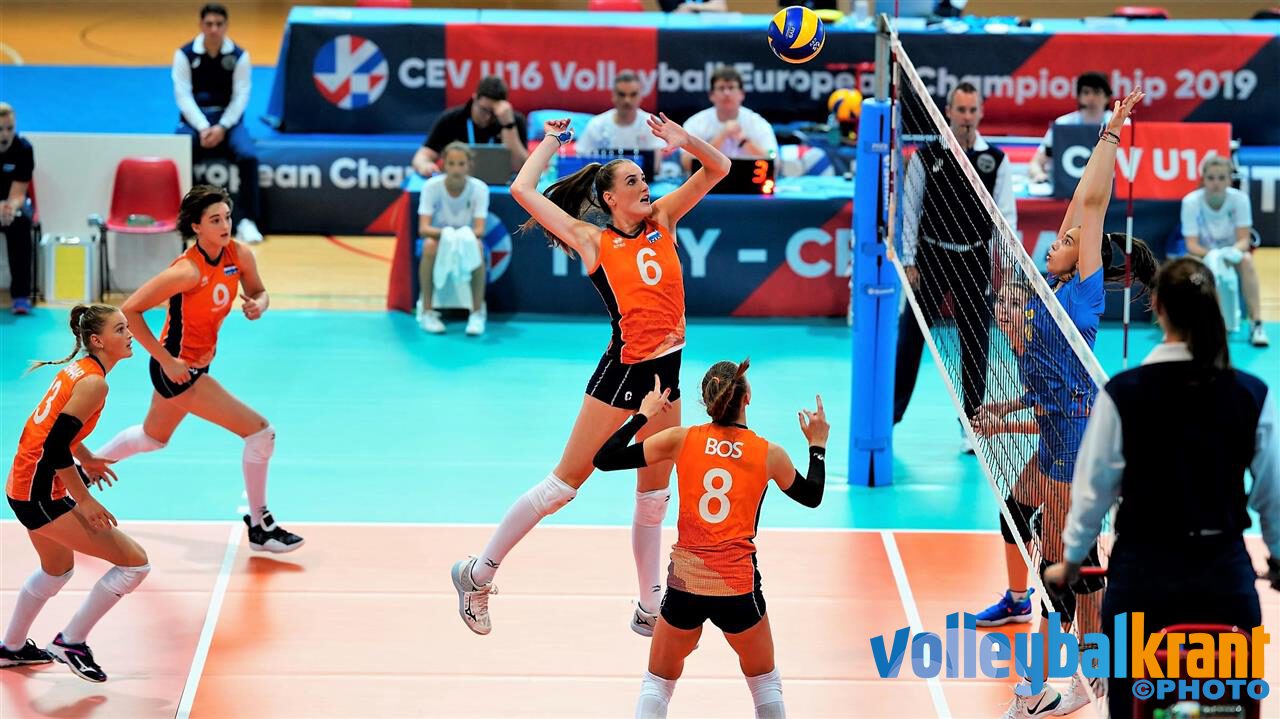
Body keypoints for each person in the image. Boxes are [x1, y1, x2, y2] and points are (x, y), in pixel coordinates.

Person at [449, 115, 729, 637]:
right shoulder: (592, 240)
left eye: (644, 179)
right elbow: (522, 189)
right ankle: (477, 573)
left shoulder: (664, 219)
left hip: (666, 375)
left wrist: (685, 140)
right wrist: (552, 141)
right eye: (632, 182)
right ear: (609, 198)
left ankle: (649, 606)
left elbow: (720, 168)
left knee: (654, 498)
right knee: (563, 486)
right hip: (623, 375)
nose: (645, 187)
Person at [977, 88, 1158, 719]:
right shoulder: (1049, 285)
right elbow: (1081, 201)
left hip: (1075, 445)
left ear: (1085, 259)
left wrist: (1111, 132)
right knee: (1017, 515)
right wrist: (1005, 415)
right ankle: (1081, 659)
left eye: (1071, 240)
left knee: (1067, 563)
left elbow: (1094, 203)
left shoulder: (1080, 294)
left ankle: (1070, 680)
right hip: (1058, 432)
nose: (1058, 240)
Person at [1046, 256, 1280, 719]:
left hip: (1142, 578)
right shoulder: (1251, 392)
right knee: (1233, 701)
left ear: (1155, 306)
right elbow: (1272, 492)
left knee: (1128, 699)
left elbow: (1093, 489)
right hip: (1224, 579)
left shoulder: (1123, 392)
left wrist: (1071, 561)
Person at [592, 362, 829, 719]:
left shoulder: (681, 439)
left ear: (707, 402)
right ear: (747, 398)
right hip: (737, 588)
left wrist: (643, 415)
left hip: (686, 586)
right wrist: (817, 445)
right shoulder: (769, 453)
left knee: (657, 683)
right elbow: (812, 496)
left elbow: (605, 459)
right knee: (765, 683)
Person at [93, 186, 303, 553]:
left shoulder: (239, 254)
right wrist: (166, 359)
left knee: (151, 438)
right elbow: (129, 312)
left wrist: (259, 305)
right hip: (179, 370)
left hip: (195, 365)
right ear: (196, 227)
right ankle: (261, 526)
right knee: (261, 433)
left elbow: (259, 291)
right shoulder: (187, 271)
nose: (225, 226)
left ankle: (82, 471)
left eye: (227, 217)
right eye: (215, 220)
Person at [1, 304, 150, 683]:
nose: (129, 335)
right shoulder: (95, 383)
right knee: (135, 564)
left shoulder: (79, 370)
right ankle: (72, 641)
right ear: (97, 340)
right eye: (120, 329)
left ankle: (11, 648)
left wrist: (87, 457)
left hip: (25, 484)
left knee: (56, 571)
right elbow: (54, 447)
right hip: (39, 493)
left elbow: (55, 430)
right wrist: (85, 499)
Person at [895, 81, 1017, 454]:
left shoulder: (995, 160)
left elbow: (1005, 218)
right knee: (910, 338)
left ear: (980, 113)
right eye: (960, 110)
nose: (966, 117)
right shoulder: (926, 156)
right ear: (948, 112)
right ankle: (890, 416)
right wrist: (909, 260)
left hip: (974, 259)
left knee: (975, 344)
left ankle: (971, 424)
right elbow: (910, 210)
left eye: (972, 110)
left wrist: (1004, 267)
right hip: (930, 258)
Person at [173, 3, 263, 244]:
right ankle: (188, 219)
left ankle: (247, 221)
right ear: (201, 25)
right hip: (195, 121)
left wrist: (223, 127)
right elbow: (183, 96)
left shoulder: (239, 56)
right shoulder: (184, 55)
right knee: (180, 153)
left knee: (248, 156)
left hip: (228, 121)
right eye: (209, 24)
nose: (214, 29)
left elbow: (241, 97)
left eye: (219, 24)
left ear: (226, 26)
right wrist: (203, 127)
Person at [1180, 155, 1267, 347]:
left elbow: (1244, 240)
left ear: (1229, 180)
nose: (1216, 183)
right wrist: (1213, 256)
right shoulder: (1191, 202)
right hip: (1203, 254)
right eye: (1211, 178)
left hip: (1231, 255)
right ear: (1203, 179)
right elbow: (1191, 245)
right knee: (1187, 265)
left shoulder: (1240, 200)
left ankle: (1256, 324)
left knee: (1247, 260)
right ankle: (1189, 326)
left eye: (1221, 178)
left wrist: (1227, 254)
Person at [416, 142, 491, 336]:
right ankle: (427, 311)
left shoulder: (479, 188)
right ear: (443, 165)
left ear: (469, 166)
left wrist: (458, 237)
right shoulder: (431, 187)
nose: (456, 169)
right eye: (451, 164)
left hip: (467, 239)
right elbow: (423, 229)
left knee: (477, 246)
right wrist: (448, 235)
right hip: (438, 239)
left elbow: (479, 230)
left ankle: (476, 313)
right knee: (429, 245)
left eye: (461, 164)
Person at [412, 76, 528, 177]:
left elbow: (519, 167)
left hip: (502, 187)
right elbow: (422, 156)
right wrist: (425, 165)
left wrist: (508, 125)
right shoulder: (451, 119)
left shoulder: (514, 121)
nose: (488, 117)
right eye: (484, 110)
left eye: (493, 112)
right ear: (475, 98)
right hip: (459, 186)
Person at [681, 67, 778, 173]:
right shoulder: (695, 123)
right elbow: (687, 163)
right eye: (721, 88)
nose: (726, 93)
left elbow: (774, 160)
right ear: (711, 95)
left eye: (731, 88)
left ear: (742, 94)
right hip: (707, 182)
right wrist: (722, 135)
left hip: (749, 180)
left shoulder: (757, 123)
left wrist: (744, 141)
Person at [1028, 72, 1114, 185]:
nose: (1091, 98)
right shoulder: (1062, 125)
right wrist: (1039, 175)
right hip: (1067, 190)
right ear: (1079, 97)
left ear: (1107, 97)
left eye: (1097, 92)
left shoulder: (1121, 125)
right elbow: (1036, 163)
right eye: (1086, 92)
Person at [576, 72, 667, 157]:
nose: (627, 100)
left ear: (640, 96)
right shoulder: (597, 125)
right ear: (613, 96)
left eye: (633, 94)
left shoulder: (652, 124)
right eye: (622, 95)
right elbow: (581, 157)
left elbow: (656, 163)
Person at [0, 102, 35, 314]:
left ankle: (20, 296)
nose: (5, 134)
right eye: (0, 129)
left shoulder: (23, 149)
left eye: (9, 129)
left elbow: (19, 193)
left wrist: (9, 208)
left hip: (12, 206)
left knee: (21, 224)